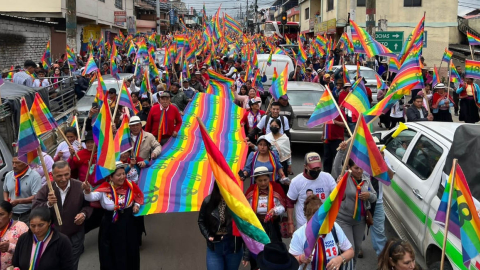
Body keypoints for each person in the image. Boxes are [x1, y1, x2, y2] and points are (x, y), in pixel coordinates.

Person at [83, 162, 144, 270]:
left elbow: (138, 195)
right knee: (112, 254)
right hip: (110, 226)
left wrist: (137, 205)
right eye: (118, 175)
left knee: (130, 251)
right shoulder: (104, 189)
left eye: (123, 174)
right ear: (110, 177)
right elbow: (90, 197)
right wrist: (87, 190)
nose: (122, 177)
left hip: (128, 225)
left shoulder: (130, 185)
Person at [32, 161, 92, 270]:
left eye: (66, 174)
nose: (63, 179)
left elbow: (89, 205)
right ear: (52, 175)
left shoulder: (80, 186)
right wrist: (48, 203)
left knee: (72, 265)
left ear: (70, 172)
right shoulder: (47, 189)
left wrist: (83, 214)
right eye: (59, 175)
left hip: (75, 234)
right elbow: (35, 209)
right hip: (54, 237)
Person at [332, 142, 377, 261]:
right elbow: (336, 167)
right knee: (348, 249)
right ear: (349, 168)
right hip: (344, 220)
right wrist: (341, 151)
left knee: (357, 248)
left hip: (359, 221)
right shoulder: (344, 178)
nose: (359, 171)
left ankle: (353, 266)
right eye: (356, 168)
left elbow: (375, 197)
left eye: (361, 168)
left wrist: (369, 196)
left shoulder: (366, 180)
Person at [289, 196, 354, 270]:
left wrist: (339, 259)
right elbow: (290, 262)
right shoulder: (299, 234)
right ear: (307, 217)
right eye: (316, 218)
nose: (320, 221)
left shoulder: (334, 227)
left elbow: (350, 251)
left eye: (322, 215)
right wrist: (301, 258)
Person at [198, 182, 248, 270]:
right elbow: (201, 221)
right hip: (215, 247)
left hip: (233, 248)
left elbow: (247, 227)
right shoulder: (208, 201)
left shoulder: (239, 203)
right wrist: (208, 235)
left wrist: (246, 253)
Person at [245, 167, 286, 269]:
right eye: (260, 180)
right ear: (255, 181)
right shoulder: (251, 192)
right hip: (256, 227)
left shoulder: (276, 189)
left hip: (272, 226)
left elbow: (282, 207)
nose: (263, 183)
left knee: (273, 253)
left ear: (269, 179)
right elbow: (245, 209)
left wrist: (275, 211)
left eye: (265, 180)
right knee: (256, 254)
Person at [286, 152, 337, 235]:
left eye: (318, 168)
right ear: (305, 166)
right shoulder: (296, 181)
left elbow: (341, 197)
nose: (316, 171)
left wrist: (341, 185)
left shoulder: (327, 177)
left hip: (324, 224)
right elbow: (290, 203)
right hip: (304, 225)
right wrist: (290, 223)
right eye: (313, 169)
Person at [3, 156, 42, 224]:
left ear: (26, 163)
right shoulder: (8, 175)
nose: (14, 166)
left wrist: (19, 201)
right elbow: (5, 190)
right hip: (13, 215)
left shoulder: (35, 176)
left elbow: (36, 197)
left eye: (17, 163)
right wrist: (6, 201)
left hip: (29, 215)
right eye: (13, 163)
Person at [0, 201, 29, 270]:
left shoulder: (21, 227)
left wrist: (10, 247)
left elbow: (29, 250)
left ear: (10, 214)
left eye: (1, 214)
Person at [265, 119, 292, 192]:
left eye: (276, 126)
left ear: (279, 127)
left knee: (283, 183)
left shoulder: (285, 138)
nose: (274, 127)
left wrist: (289, 165)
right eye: (272, 126)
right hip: (270, 163)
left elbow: (288, 152)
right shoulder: (267, 138)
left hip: (283, 163)